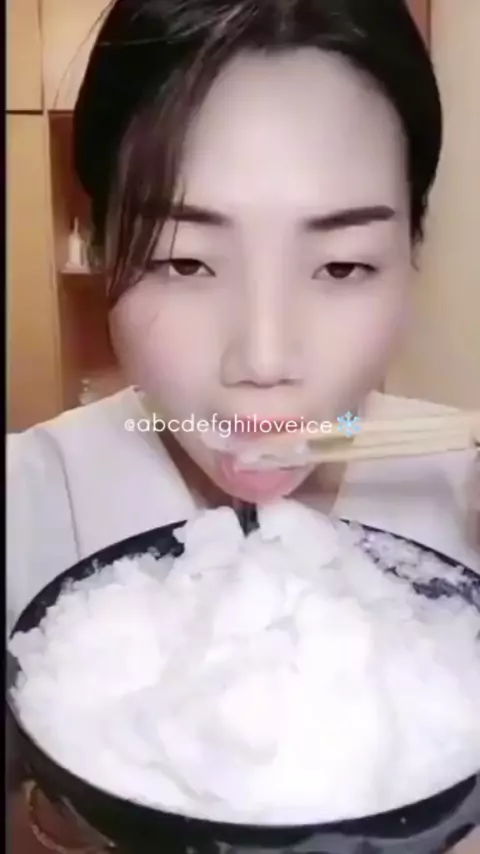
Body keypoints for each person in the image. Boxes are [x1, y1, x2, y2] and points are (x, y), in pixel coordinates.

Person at [6, 0, 480, 848]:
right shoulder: (26, 503)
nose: (264, 358)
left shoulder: (463, 489)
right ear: (101, 246)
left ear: (412, 253)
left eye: (342, 265)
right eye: (185, 261)